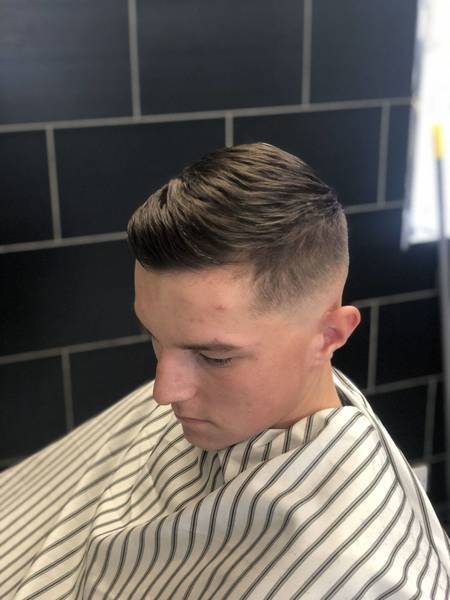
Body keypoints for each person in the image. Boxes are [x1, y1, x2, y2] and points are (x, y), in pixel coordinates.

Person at [1, 142, 449, 599]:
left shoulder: (366, 578)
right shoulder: (230, 405)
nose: (163, 393)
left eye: (215, 358)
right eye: (154, 337)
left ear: (329, 335)